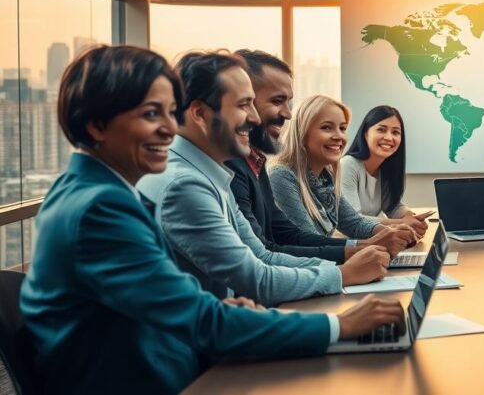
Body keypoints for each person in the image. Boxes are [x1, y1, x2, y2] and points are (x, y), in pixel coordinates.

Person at [20, 46, 405, 395]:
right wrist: (341, 326)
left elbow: (172, 299)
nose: (170, 129)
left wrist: (221, 305)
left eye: (171, 112)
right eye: (152, 114)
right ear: (96, 125)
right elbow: (202, 323)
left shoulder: (101, 191)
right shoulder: (101, 209)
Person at [138, 51, 390, 306]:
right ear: (200, 114)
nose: (255, 118)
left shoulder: (213, 174)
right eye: (243, 105)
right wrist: (342, 275)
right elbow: (257, 279)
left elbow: (262, 257)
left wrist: (349, 262)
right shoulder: (184, 185)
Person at [227, 50, 415, 261]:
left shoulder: (265, 166)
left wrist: (377, 240)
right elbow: (275, 249)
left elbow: (294, 233)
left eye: (343, 128)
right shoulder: (277, 175)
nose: (288, 114)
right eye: (327, 128)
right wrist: (356, 259)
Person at [271, 95, 420, 248]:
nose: (339, 136)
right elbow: (309, 242)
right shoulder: (281, 176)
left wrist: (391, 233)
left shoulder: (325, 177)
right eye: (327, 127)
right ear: (301, 133)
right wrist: (369, 243)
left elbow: (353, 223)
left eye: (342, 128)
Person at [340, 105, 430, 236]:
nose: (389, 137)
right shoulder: (347, 165)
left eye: (395, 132)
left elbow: (392, 206)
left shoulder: (383, 168)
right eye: (381, 130)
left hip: (372, 243)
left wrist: (411, 217)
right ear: (365, 133)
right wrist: (402, 223)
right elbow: (354, 220)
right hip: (348, 246)